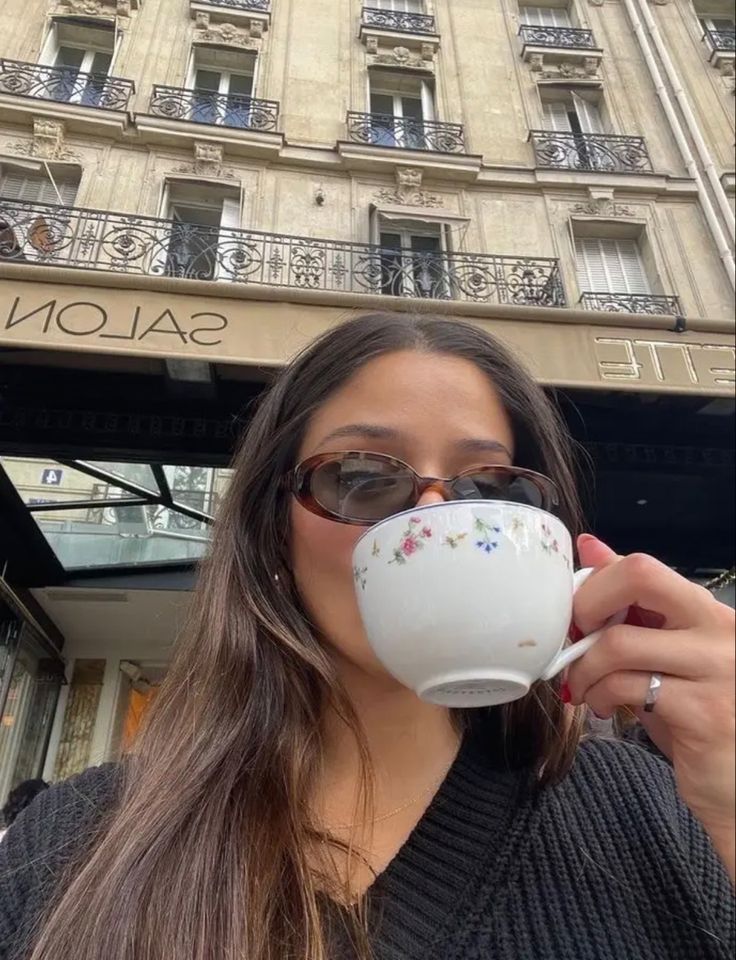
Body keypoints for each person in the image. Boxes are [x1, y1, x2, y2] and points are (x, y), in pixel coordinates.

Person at [0, 312, 733, 960]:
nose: (435, 519)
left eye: (488, 487)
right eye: (361, 475)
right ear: (274, 536)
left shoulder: (662, 812)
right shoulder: (71, 841)